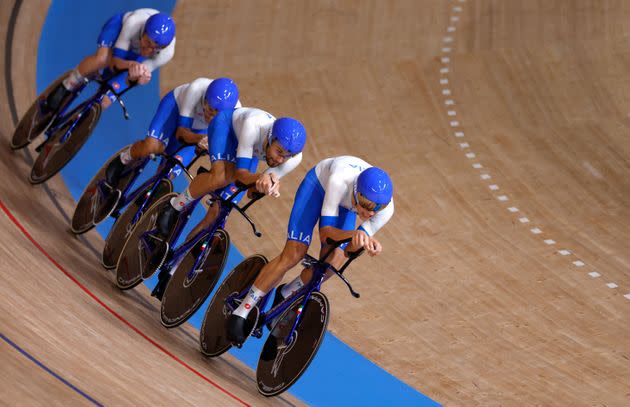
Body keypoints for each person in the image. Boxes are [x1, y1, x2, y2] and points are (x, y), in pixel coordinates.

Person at [225, 156, 395, 344]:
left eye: (377, 209)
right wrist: (354, 234)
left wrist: (364, 243)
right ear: (357, 193)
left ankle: (287, 293)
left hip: (347, 206)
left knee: (333, 263)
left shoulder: (386, 210)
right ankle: (243, 309)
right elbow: (326, 234)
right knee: (294, 253)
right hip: (318, 188)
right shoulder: (340, 179)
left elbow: (349, 249)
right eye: (368, 207)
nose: (371, 214)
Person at [149, 108, 308, 299]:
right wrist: (262, 177)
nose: (280, 159)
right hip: (227, 129)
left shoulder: (294, 157)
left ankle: (174, 267)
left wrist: (265, 185)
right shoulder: (253, 126)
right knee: (221, 177)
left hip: (248, 152)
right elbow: (241, 175)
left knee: (218, 211)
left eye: (285, 157)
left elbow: (250, 191)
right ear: (270, 137)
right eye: (278, 152)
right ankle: (175, 205)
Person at [103, 77, 241, 202]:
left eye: (218, 114)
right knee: (152, 146)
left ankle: (144, 200)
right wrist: (202, 139)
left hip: (200, 131)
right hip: (175, 110)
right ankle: (123, 159)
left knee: (171, 171)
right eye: (210, 109)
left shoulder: (236, 116)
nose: (211, 117)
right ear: (205, 99)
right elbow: (181, 134)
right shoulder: (196, 88)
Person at [43, 8, 176, 113]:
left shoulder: (167, 54)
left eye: (156, 49)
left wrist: (139, 79)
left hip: (135, 55)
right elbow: (115, 62)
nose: (148, 50)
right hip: (119, 30)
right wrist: (130, 64)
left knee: (106, 100)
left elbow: (136, 77)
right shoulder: (134, 22)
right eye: (148, 42)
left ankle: (75, 126)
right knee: (102, 59)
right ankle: (68, 84)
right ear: (143, 31)